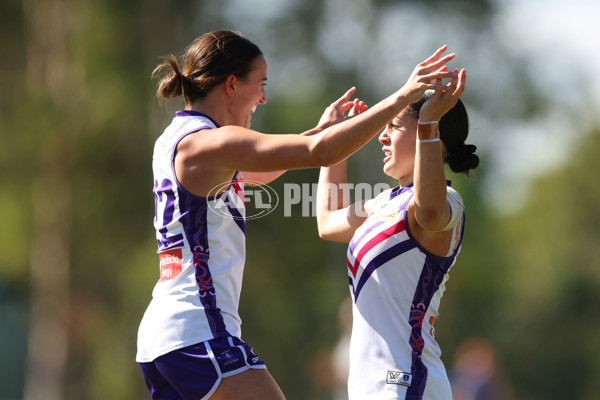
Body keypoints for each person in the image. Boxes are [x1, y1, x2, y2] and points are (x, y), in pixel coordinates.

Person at [136, 29, 459, 400]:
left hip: (165, 337)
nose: (263, 97)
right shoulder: (210, 143)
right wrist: (402, 97)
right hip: (198, 330)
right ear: (231, 85)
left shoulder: (179, 139)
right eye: (260, 84)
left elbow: (271, 164)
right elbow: (318, 152)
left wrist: (323, 130)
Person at [316, 64, 479, 399]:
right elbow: (328, 221)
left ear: (427, 130)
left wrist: (429, 122)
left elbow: (430, 212)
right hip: (374, 388)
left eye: (393, 126)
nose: (382, 135)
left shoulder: (448, 200)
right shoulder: (383, 203)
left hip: (406, 385)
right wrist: (335, 137)